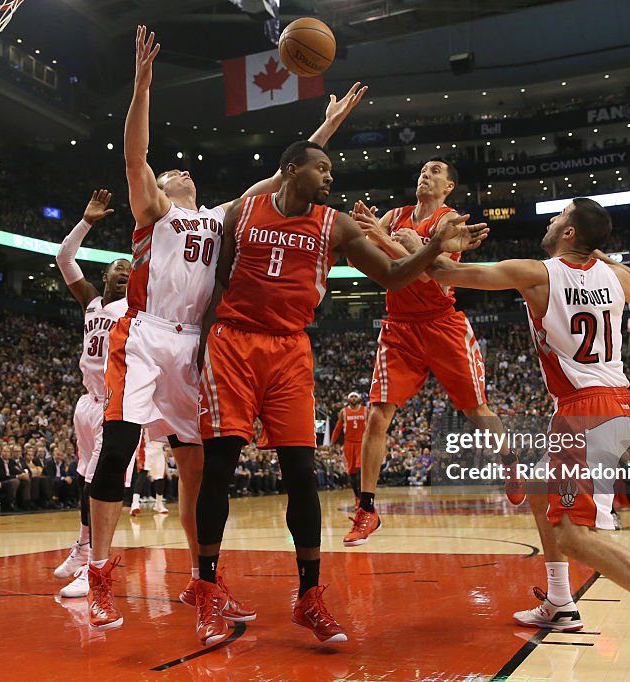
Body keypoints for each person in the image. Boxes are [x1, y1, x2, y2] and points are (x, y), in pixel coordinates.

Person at [86, 25, 369, 631]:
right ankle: (99, 576)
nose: (180, 172)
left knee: (200, 470)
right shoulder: (155, 212)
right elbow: (136, 155)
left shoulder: (221, 218)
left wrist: (326, 129)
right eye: (171, 173)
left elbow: (287, 176)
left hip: (198, 347)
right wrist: (142, 86)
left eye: (184, 173)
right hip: (144, 336)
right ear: (161, 190)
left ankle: (201, 583)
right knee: (118, 451)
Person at [192, 139, 488, 645]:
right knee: (219, 468)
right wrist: (201, 346)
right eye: (321, 168)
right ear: (290, 170)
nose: (330, 177)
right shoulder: (243, 211)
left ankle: (309, 596)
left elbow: (394, 275)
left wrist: (436, 247)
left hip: (290, 349)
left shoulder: (337, 224)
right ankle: (206, 589)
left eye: (331, 170)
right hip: (234, 343)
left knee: (302, 476)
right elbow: (215, 282)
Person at [429, 197, 630, 677]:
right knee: (539, 495)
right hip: (604, 404)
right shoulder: (616, 277)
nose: (550, 222)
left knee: (575, 535)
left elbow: (445, 275)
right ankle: (560, 602)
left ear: (569, 233)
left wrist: (421, 244)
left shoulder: (537, 272)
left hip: (588, 411)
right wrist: (600, 255)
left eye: (558, 218)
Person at [343, 160, 522, 547]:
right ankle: (367, 508)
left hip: (442, 324)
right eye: (423, 168)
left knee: (476, 410)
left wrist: (384, 239)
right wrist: (360, 237)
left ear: (449, 185)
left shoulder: (451, 221)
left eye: (436, 170)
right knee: (377, 416)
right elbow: (383, 266)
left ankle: (510, 462)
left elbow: (432, 274)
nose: (426, 172)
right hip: (399, 326)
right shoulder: (394, 215)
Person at [53, 191, 134, 598]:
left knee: (98, 483)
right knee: (84, 479)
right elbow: (63, 259)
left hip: (114, 402)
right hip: (86, 401)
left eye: (130, 269)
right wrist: (86, 222)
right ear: (105, 275)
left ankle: (93, 560)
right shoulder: (91, 301)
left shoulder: (136, 308)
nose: (125, 271)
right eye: (119, 267)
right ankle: (82, 547)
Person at [329, 391, 367, 507]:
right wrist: (332, 443)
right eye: (352, 397)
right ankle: (357, 497)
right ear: (349, 399)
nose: (354, 398)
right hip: (349, 444)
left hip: (362, 443)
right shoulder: (343, 412)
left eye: (356, 396)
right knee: (352, 472)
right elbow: (337, 428)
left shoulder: (366, 410)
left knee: (361, 470)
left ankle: (363, 497)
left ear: (359, 398)